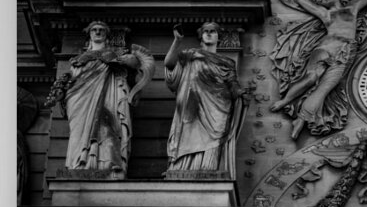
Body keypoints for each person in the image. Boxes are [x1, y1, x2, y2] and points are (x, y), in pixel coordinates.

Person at [270, 0, 367, 139]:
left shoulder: (347, 9)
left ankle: (300, 118)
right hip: (335, 49)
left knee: (319, 85)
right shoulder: (332, 13)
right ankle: (286, 101)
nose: (321, 0)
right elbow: (301, 0)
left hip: (336, 48)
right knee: (319, 84)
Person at [62, 21, 152, 178]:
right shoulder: (79, 60)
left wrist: (122, 60)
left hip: (107, 95)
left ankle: (107, 164)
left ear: (107, 35)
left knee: (106, 127)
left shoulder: (113, 55)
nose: (97, 32)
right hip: (81, 99)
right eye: (94, 30)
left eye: (101, 30)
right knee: (80, 131)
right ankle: (78, 162)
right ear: (89, 34)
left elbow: (136, 64)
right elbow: (73, 80)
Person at [164, 22, 245, 178]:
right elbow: (169, 63)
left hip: (219, 106)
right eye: (206, 31)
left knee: (216, 137)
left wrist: (241, 93)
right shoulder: (190, 54)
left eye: (213, 31)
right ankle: (184, 168)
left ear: (218, 37)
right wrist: (177, 41)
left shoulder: (227, 62)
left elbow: (233, 84)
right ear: (200, 36)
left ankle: (209, 170)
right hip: (191, 103)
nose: (209, 34)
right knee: (189, 134)